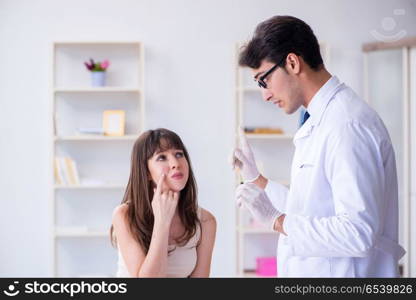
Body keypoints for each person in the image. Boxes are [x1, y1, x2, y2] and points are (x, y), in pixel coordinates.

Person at [232, 15, 405, 277]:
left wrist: (277, 221)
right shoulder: (320, 119)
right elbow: (311, 209)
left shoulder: (346, 125)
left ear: (292, 62)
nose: (265, 94)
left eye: (263, 80)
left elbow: (357, 232)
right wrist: (258, 181)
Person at [110, 128, 216, 277]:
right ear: (146, 172)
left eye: (179, 154)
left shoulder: (205, 221)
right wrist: (162, 222)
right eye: (161, 157)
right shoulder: (124, 215)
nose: (175, 163)